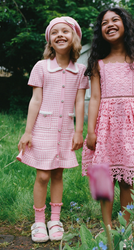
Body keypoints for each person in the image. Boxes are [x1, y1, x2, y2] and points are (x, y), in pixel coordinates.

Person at [17, 16, 89, 242]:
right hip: (43, 129)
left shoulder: (81, 70)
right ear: (50, 40)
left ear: (74, 38)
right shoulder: (41, 67)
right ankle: (39, 222)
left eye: (65, 31)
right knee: (43, 175)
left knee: (59, 173)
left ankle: (54, 219)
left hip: (66, 129)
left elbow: (79, 102)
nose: (60, 35)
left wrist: (79, 131)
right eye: (55, 32)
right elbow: (35, 100)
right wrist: (28, 131)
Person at [82, 7, 134, 227]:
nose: (110, 25)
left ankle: (125, 229)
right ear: (100, 31)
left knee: (127, 181)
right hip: (105, 126)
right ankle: (107, 228)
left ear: (126, 26)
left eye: (115, 20)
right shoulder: (98, 63)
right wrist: (91, 131)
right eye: (104, 22)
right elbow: (94, 98)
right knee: (106, 179)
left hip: (130, 127)